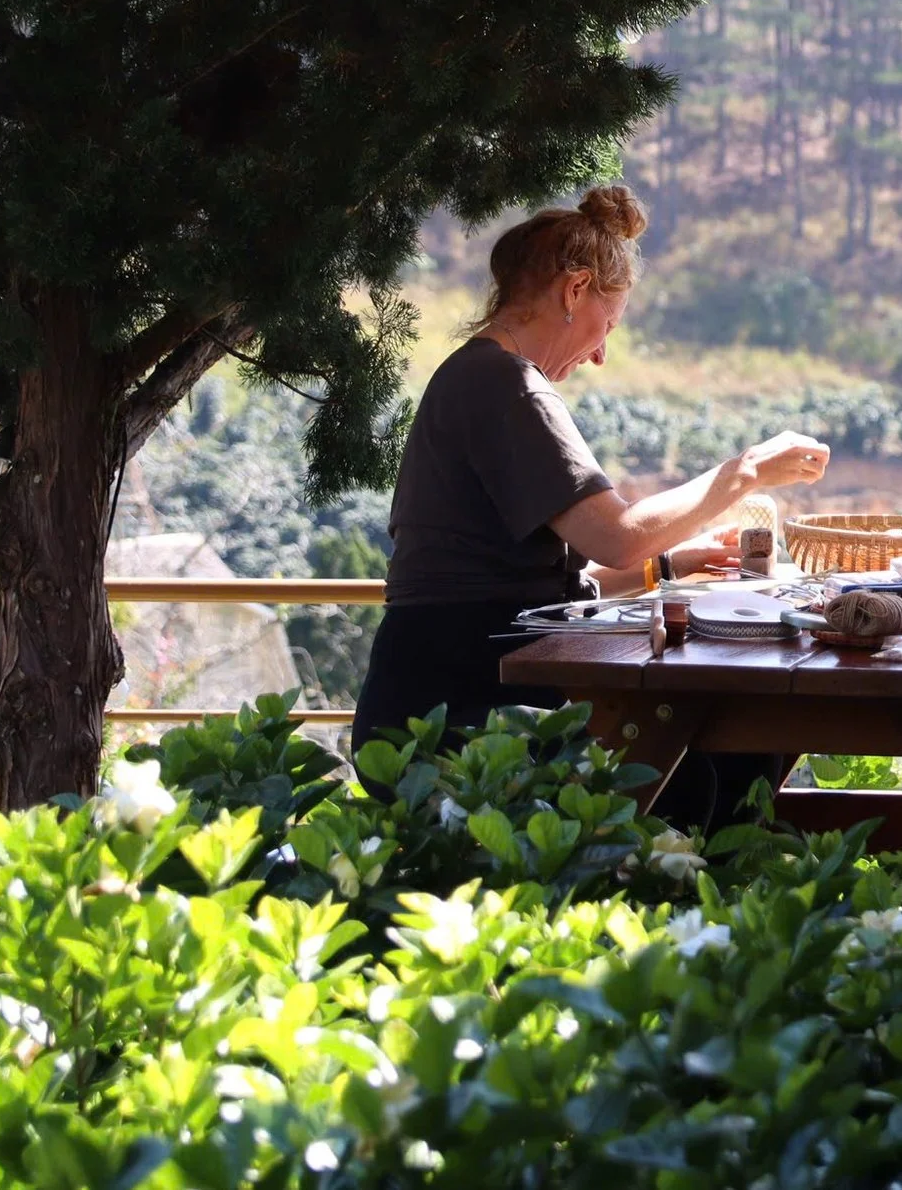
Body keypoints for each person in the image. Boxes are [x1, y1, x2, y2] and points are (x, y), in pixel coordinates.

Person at [353, 184, 830, 827]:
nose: (601, 353)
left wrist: (673, 564)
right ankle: (684, 917)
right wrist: (743, 473)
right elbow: (619, 536)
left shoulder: (481, 377)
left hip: (446, 684)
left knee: (734, 752)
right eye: (608, 325)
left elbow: (535, 576)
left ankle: (705, 913)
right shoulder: (507, 387)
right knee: (686, 777)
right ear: (575, 290)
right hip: (454, 704)